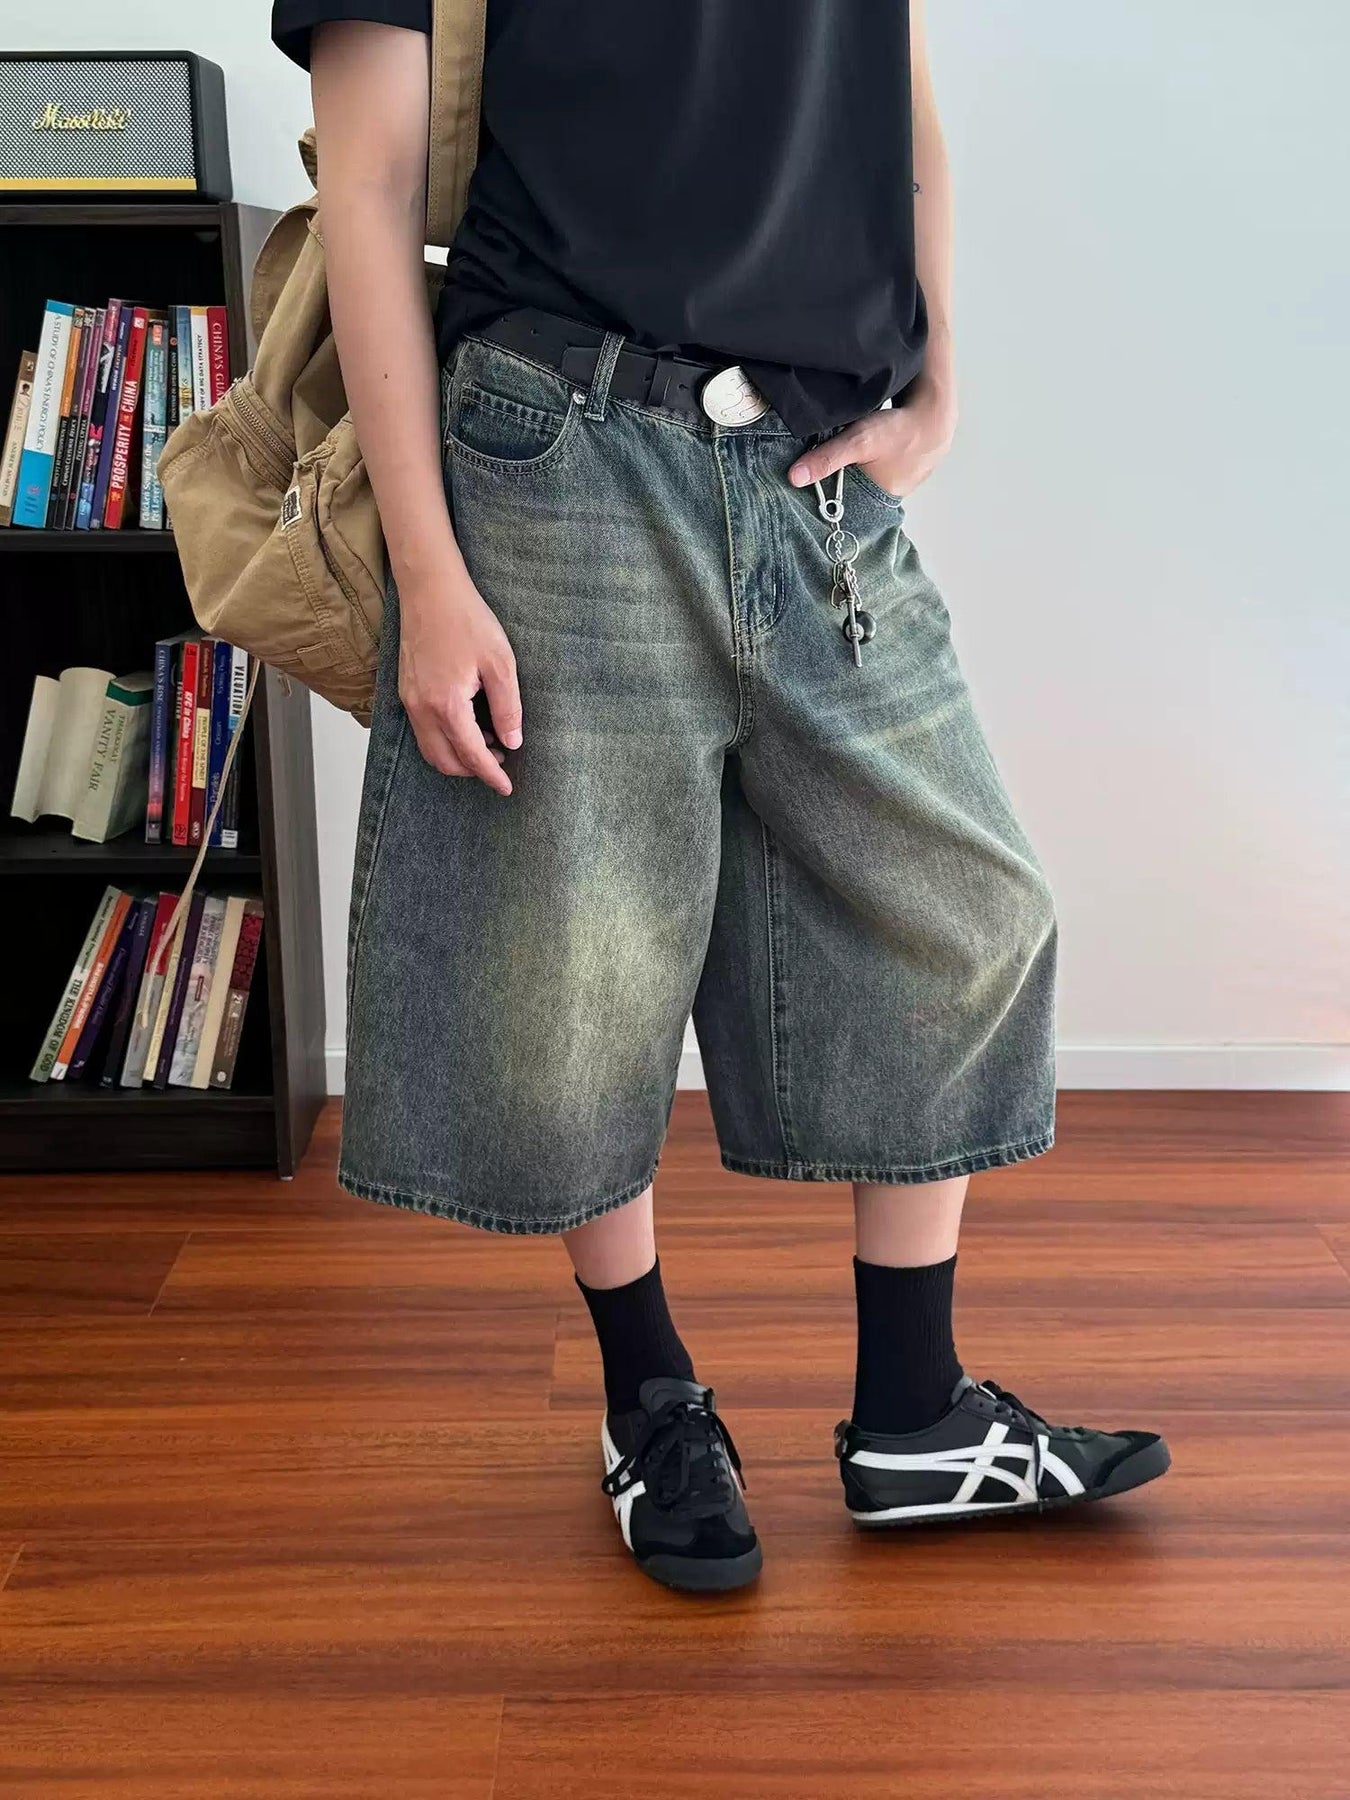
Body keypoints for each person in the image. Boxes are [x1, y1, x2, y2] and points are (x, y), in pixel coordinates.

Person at [271, 0, 1169, 1594]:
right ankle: (651, 1398)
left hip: (815, 469)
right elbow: (371, 180)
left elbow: (898, 101)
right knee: (580, 962)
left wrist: (938, 377)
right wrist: (431, 572)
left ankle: (914, 1415)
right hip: (556, 448)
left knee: (966, 912)